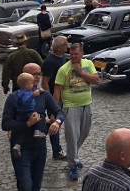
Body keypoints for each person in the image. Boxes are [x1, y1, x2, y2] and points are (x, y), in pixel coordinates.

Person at [1, 63, 64, 191]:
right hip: (21, 147)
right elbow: (6, 124)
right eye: (34, 74)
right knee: (25, 186)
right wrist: (27, 124)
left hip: (39, 147)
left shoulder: (44, 95)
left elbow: (59, 112)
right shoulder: (14, 97)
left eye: (39, 73)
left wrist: (57, 122)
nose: (38, 77)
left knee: (36, 186)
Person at [54, 42, 101, 181]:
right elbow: (57, 90)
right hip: (70, 107)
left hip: (87, 105)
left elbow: (97, 80)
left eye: (76, 54)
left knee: (84, 133)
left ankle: (71, 154)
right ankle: (73, 164)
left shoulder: (88, 64)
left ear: (81, 54)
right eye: (71, 54)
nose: (73, 56)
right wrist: (55, 110)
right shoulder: (64, 69)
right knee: (72, 136)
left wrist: (81, 73)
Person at [40, 35, 69, 161]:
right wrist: (50, 100)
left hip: (63, 97)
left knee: (56, 122)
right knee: (54, 122)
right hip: (54, 98)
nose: (67, 46)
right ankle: (56, 150)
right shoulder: (50, 62)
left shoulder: (62, 57)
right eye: (65, 44)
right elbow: (44, 82)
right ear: (59, 48)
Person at [10, 72, 48, 158]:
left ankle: (18, 144)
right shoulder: (25, 93)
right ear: (27, 86)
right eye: (31, 83)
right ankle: (38, 131)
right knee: (39, 117)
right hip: (27, 112)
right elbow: (25, 101)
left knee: (22, 132)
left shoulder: (17, 93)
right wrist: (32, 95)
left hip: (20, 113)